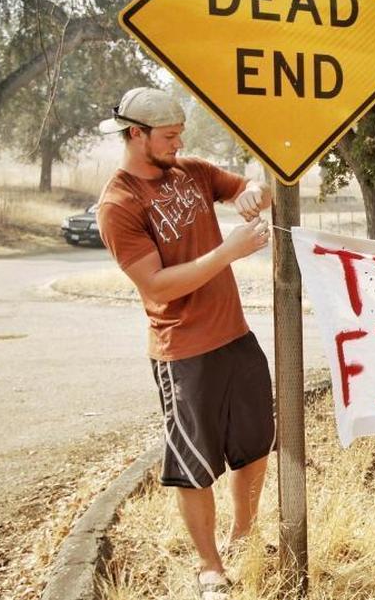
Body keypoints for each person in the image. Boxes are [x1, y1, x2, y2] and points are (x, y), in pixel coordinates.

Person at [95, 87, 274, 600]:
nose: (178, 144)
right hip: (183, 350)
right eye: (169, 137)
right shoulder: (119, 203)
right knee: (194, 463)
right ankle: (209, 566)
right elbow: (156, 284)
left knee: (255, 443)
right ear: (136, 135)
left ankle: (243, 535)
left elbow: (255, 190)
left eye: (180, 135)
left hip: (236, 336)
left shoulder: (191, 171)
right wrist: (229, 251)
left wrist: (252, 193)